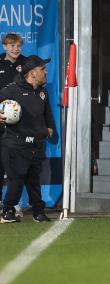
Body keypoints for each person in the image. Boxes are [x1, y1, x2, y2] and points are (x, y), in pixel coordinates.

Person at [0, 56, 55, 223]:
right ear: (32, 73)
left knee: (34, 180)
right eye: (42, 69)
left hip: (36, 144)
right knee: (16, 179)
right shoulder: (11, 91)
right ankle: (8, 210)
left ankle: (38, 211)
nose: (46, 72)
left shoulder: (42, 92)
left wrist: (49, 127)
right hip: (15, 144)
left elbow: (47, 113)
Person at [0, 33, 26, 211]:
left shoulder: (27, 63)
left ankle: (13, 203)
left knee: (17, 163)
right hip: (1, 120)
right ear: (4, 47)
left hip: (21, 122)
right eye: (12, 46)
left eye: (18, 46)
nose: (15, 49)